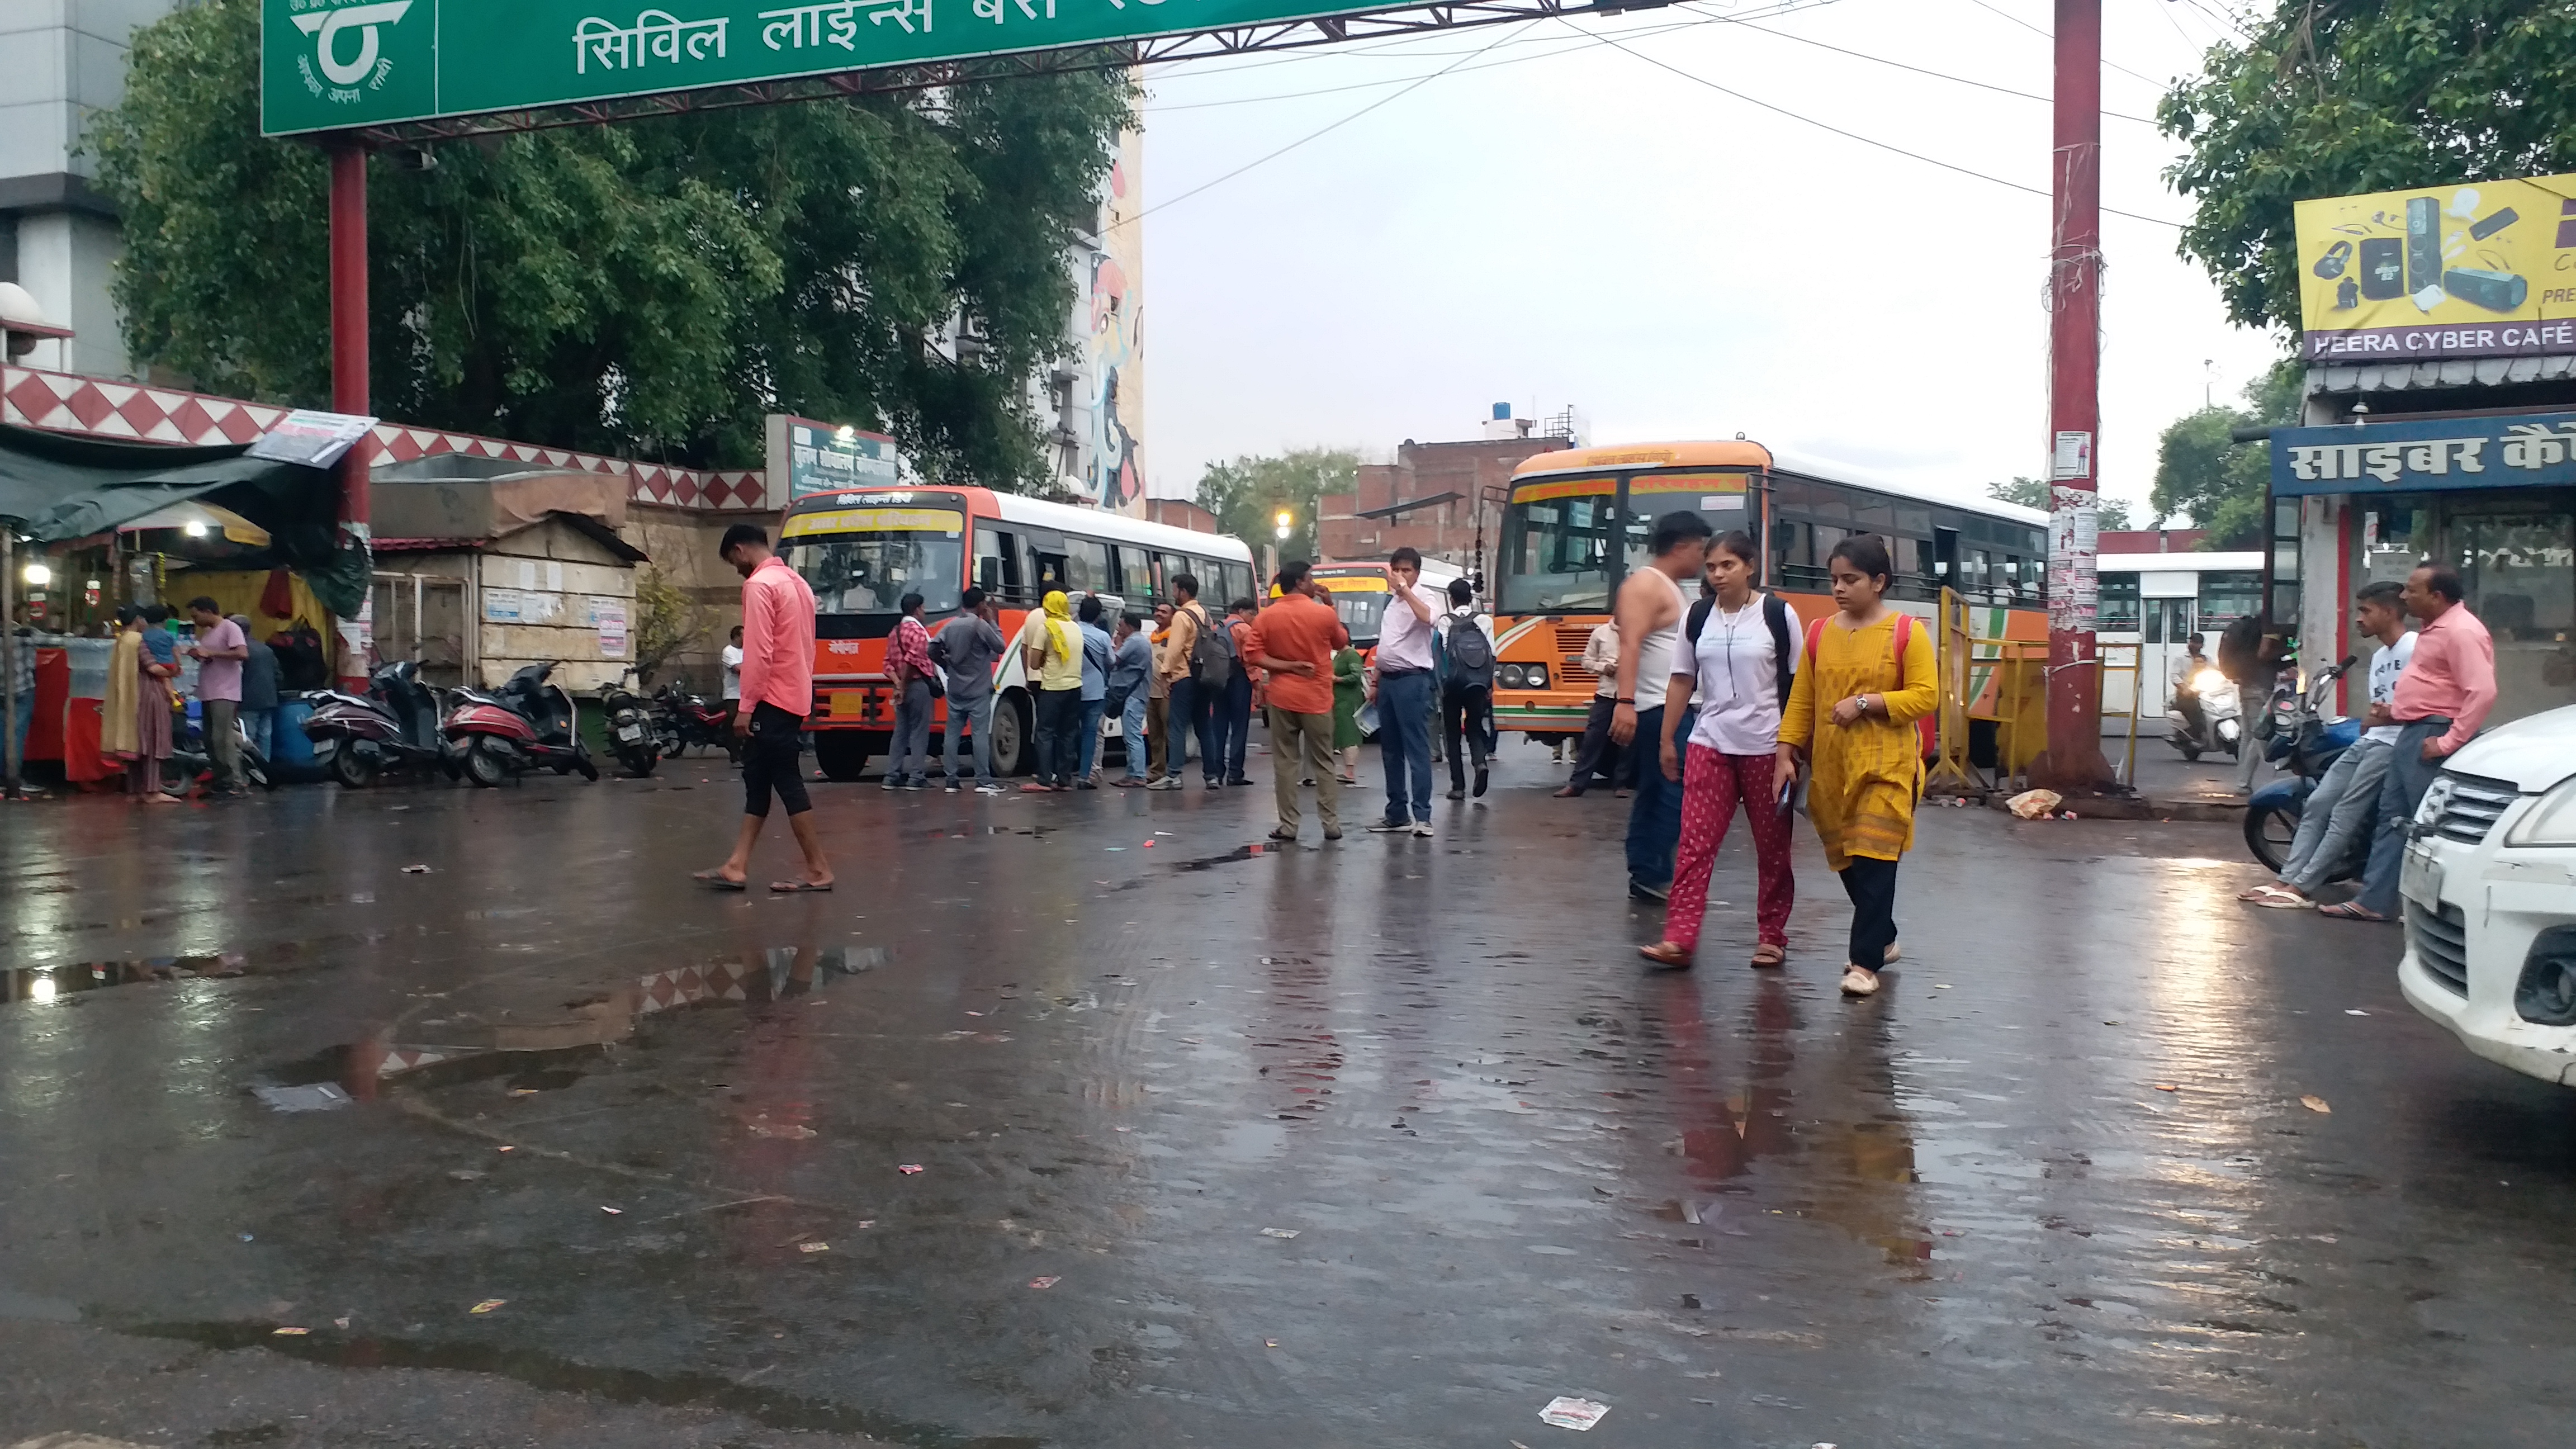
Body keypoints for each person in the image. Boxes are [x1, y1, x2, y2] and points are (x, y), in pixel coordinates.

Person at [1775, 534, 1936, 997]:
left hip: (1887, 765)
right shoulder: (1820, 633)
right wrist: (1785, 750)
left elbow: (1925, 695)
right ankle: (1883, 938)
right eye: (1835, 580)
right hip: (1831, 767)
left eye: (1851, 579)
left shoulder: (1907, 631)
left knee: (1875, 857)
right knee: (1850, 861)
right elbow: (1802, 697)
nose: (1840, 589)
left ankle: (1864, 964)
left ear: (1879, 582)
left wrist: (1867, 702)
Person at [1640, 533, 1802, 969]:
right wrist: (1667, 740)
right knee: (1695, 845)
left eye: (1728, 565)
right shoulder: (1696, 617)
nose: (1717, 574)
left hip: (1767, 747)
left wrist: (1792, 750)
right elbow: (1681, 678)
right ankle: (1679, 938)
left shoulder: (1777, 615)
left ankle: (1772, 935)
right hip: (1709, 742)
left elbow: (1800, 686)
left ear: (1750, 567)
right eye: (1711, 567)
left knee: (1772, 849)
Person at [2326, 562, 2497, 924]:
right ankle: (2374, 899)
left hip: (2431, 736)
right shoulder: (2433, 631)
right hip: (2411, 731)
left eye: (2412, 590)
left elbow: (2481, 692)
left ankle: (2438, 911)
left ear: (2436, 597)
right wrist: (2397, 708)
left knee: (2429, 825)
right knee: (2394, 820)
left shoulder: (2462, 632)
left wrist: (2449, 742)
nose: (2404, 596)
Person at [2242, 582, 2413, 908]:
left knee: (2345, 813)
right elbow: (2379, 707)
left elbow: (2414, 704)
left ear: (2389, 612)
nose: (2359, 619)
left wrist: (2385, 717)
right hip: (2371, 739)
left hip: (2392, 744)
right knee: (2319, 802)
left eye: (2366, 611)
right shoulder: (2379, 656)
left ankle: (2302, 888)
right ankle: (2285, 879)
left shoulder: (2413, 648)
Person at [694, 524, 832, 893]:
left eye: (732, 561)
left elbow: (759, 653)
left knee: (784, 778)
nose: (737, 569)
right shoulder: (799, 585)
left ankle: (818, 870)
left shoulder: (759, 586)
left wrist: (746, 707)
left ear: (740, 550)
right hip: (793, 696)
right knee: (758, 777)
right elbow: (807, 645)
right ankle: (737, 864)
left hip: (771, 700)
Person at [1610, 512, 1715, 900]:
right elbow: (1630, 643)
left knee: (1659, 790)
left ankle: (1648, 873)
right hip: (1657, 707)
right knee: (1674, 791)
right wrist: (1625, 703)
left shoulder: (1670, 587)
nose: (1705, 560)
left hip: (1670, 706)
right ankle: (1654, 872)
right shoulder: (1644, 585)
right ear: (1680, 547)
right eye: (1701, 550)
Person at [1244, 560, 1350, 842]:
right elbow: (1341, 643)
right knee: (1324, 761)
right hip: (1317, 697)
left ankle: (1289, 825)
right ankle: (1330, 824)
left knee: (1285, 762)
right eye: (1311, 578)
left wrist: (1287, 667)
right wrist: (1330, 605)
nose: (1314, 583)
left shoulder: (1266, 617)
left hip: (1282, 697)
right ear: (1301, 583)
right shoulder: (1323, 615)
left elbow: (1253, 655)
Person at [1363, 547, 1443, 836]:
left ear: (1417, 573)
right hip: (1388, 681)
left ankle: (1423, 817)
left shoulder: (1424, 596)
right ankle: (1397, 814)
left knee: (1417, 749)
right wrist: (1375, 682)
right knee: (1391, 751)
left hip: (1413, 681)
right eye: (1395, 570)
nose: (1399, 576)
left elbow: (1429, 620)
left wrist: (1406, 591)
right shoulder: (1391, 604)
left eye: (1406, 570)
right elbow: (1387, 646)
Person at [1155, 574, 1225, 792]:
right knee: (1204, 725)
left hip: (1184, 677)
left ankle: (1173, 775)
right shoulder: (1205, 614)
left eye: (1175, 590)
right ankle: (1211, 776)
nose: (1173, 594)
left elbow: (1175, 649)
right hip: (1204, 676)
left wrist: (1166, 674)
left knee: (1177, 726)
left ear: (1183, 591)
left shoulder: (1182, 616)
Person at [935, 586, 1007, 794]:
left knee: (952, 734)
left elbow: (932, 649)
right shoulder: (981, 626)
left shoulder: (950, 626)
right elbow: (1000, 646)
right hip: (978, 690)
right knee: (979, 735)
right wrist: (992, 620)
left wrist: (947, 665)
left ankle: (951, 779)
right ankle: (983, 780)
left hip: (956, 688)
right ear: (981, 605)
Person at [101, 607, 176, 804]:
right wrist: (174, 671)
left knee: (137, 745)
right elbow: (153, 667)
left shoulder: (121, 639)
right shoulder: (138, 640)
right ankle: (152, 791)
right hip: (148, 693)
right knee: (152, 742)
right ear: (137, 619)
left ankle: (134, 791)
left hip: (130, 696)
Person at [1436, 576, 1497, 801]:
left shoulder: (1445, 621)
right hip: (1478, 683)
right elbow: (1492, 654)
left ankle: (1458, 786)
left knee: (1452, 733)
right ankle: (1480, 763)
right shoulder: (1484, 620)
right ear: (1471, 598)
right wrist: (1489, 685)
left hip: (1453, 683)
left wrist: (1440, 682)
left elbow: (1441, 651)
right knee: (1474, 727)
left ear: (1451, 600)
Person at [183, 597, 250, 795]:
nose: (195, 621)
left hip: (225, 692)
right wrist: (201, 655)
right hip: (208, 691)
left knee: (222, 738)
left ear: (208, 611)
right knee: (210, 739)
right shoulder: (208, 633)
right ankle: (222, 780)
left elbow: (242, 653)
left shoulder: (230, 628)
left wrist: (211, 652)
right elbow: (212, 657)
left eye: (197, 616)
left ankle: (236, 782)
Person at [1020, 590, 1085, 791]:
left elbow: (1034, 663)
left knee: (1045, 733)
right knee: (1067, 734)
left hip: (1053, 688)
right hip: (1075, 688)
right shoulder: (1075, 627)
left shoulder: (1046, 628)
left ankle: (1044, 779)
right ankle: (1065, 780)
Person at [1556, 619, 1628, 798]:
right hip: (1606, 694)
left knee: (1628, 741)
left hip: (1631, 694)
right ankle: (1577, 784)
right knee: (1592, 739)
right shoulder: (1601, 633)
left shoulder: (1640, 632)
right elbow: (1586, 661)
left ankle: (1622, 784)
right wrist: (1604, 668)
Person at [2218, 613, 2288, 793]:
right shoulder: (2272, 626)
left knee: (2248, 736)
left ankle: (2243, 783)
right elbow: (2264, 653)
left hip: (2247, 683)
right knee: (2260, 735)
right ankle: (2243, 783)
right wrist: (2288, 655)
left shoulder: (2254, 625)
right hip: (2259, 687)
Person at [883, 591, 935, 790]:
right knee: (919, 732)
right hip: (917, 686)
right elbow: (912, 662)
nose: (925, 612)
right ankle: (916, 777)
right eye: (923, 608)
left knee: (900, 732)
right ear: (917, 609)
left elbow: (887, 664)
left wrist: (897, 685)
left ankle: (892, 775)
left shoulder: (894, 632)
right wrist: (904, 685)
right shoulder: (918, 632)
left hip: (901, 688)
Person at [1110, 610, 1153, 787]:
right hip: (1136, 694)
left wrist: (1118, 642)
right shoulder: (1140, 641)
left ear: (1129, 626)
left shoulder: (1134, 641)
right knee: (1130, 735)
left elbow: (1114, 659)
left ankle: (1138, 775)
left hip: (1134, 695)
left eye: (1121, 625)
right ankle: (1132, 773)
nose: (1119, 629)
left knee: (1133, 735)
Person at [1219, 599, 1259, 786]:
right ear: (1242, 611)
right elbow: (1250, 660)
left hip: (1218, 680)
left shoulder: (1217, 628)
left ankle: (1215, 772)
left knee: (1218, 728)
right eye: (1252, 614)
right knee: (1239, 728)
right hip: (1239, 680)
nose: (1253, 619)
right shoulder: (1244, 630)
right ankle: (1235, 773)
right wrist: (1257, 685)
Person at [1075, 594, 1114, 789]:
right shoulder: (1103, 636)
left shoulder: (1071, 631)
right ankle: (1084, 777)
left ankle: (1061, 775)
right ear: (1098, 616)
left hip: (1072, 689)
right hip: (1096, 692)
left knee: (1067, 733)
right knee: (1090, 734)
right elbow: (1111, 662)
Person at [232, 614, 280, 765]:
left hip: (248, 700)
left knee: (248, 737)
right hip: (269, 699)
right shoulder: (266, 649)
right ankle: (265, 769)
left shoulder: (238, 652)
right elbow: (279, 675)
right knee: (265, 735)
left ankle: (250, 769)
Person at [1144, 600, 1178, 786]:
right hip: (1151, 692)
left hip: (1168, 692)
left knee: (1170, 734)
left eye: (1164, 612)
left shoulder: (1174, 636)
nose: (1159, 614)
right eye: (1157, 610)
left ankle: (1173, 772)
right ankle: (1157, 770)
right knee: (1154, 735)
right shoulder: (1153, 636)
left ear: (1172, 616)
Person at [1332, 631, 1365, 785]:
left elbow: (1356, 675)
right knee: (1342, 734)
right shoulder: (1339, 655)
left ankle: (1350, 771)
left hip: (1349, 700)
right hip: (1339, 700)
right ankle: (1347, 770)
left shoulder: (1351, 655)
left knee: (1349, 733)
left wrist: (1338, 679)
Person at [2170, 632, 2210, 741]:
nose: (2195, 645)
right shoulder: (2181, 658)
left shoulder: (2207, 659)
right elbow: (2174, 676)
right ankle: (2200, 732)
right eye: (2193, 642)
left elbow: (2216, 671)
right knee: (2194, 709)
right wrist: (2184, 688)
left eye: (2198, 643)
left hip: (2205, 693)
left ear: (2202, 645)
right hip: (2185, 694)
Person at [721, 624, 746, 726]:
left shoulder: (747, 651)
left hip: (746, 696)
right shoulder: (728, 651)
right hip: (733, 696)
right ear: (737, 637)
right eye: (744, 635)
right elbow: (739, 669)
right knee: (734, 725)